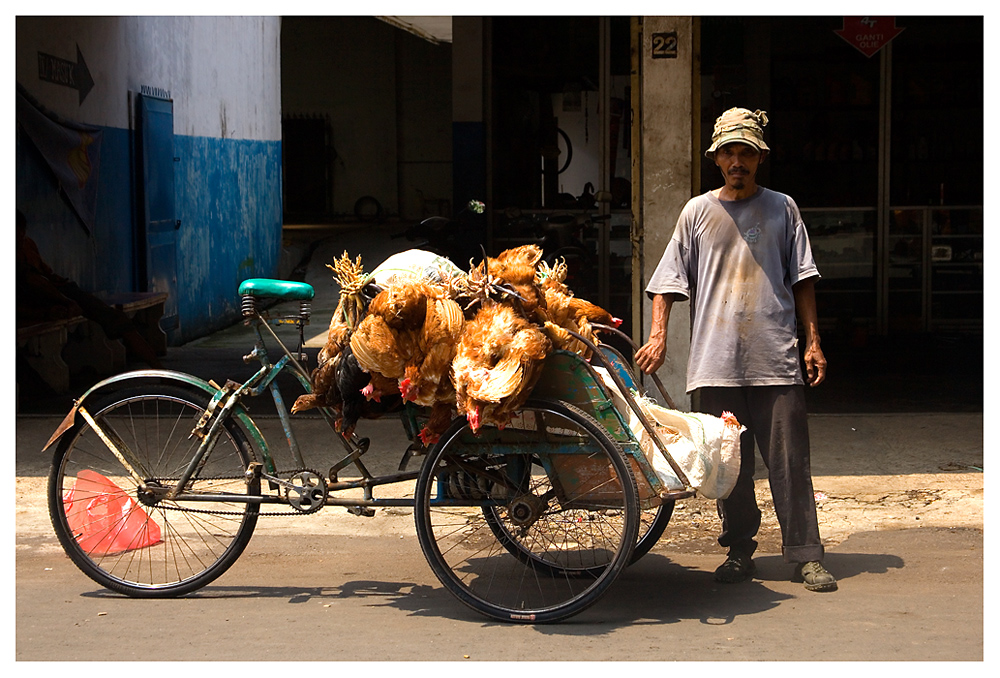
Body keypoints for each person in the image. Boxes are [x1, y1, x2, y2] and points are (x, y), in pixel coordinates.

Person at [635, 108, 836, 592]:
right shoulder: (697, 213)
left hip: (776, 359)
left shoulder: (783, 208)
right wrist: (659, 335)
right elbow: (665, 284)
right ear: (717, 159)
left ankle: (805, 555)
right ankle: (741, 550)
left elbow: (803, 279)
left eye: (746, 151)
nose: (737, 160)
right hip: (715, 363)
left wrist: (813, 341)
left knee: (790, 463)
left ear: (760, 157)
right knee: (731, 465)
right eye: (729, 152)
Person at [16, 209, 162, 369]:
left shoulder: (28, 245)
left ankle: (158, 368)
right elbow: (32, 286)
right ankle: (158, 368)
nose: (20, 241)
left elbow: (48, 275)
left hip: (61, 294)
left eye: (21, 236)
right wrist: (47, 311)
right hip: (40, 301)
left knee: (116, 319)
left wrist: (64, 297)